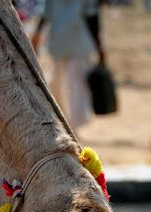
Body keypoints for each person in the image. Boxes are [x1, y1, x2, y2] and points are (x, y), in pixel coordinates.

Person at [32, 0, 105, 131]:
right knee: (74, 87)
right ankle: (69, 124)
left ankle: (62, 123)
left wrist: (36, 37)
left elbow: (44, 16)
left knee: (58, 84)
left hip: (61, 43)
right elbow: (92, 18)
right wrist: (99, 47)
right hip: (75, 44)